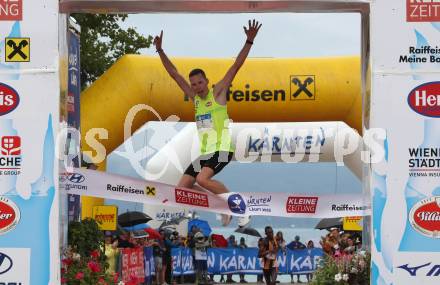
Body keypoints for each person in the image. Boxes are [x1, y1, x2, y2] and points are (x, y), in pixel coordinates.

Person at [153, 20, 262, 226]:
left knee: (202, 180)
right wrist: (160, 51)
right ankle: (218, 204)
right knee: (182, 189)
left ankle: (241, 208)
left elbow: (235, 66)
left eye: (200, 83)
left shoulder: (218, 92)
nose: (197, 87)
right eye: (193, 84)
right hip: (205, 154)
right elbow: (174, 74)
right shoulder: (195, 100)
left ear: (207, 81)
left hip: (222, 149)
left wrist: (249, 40)